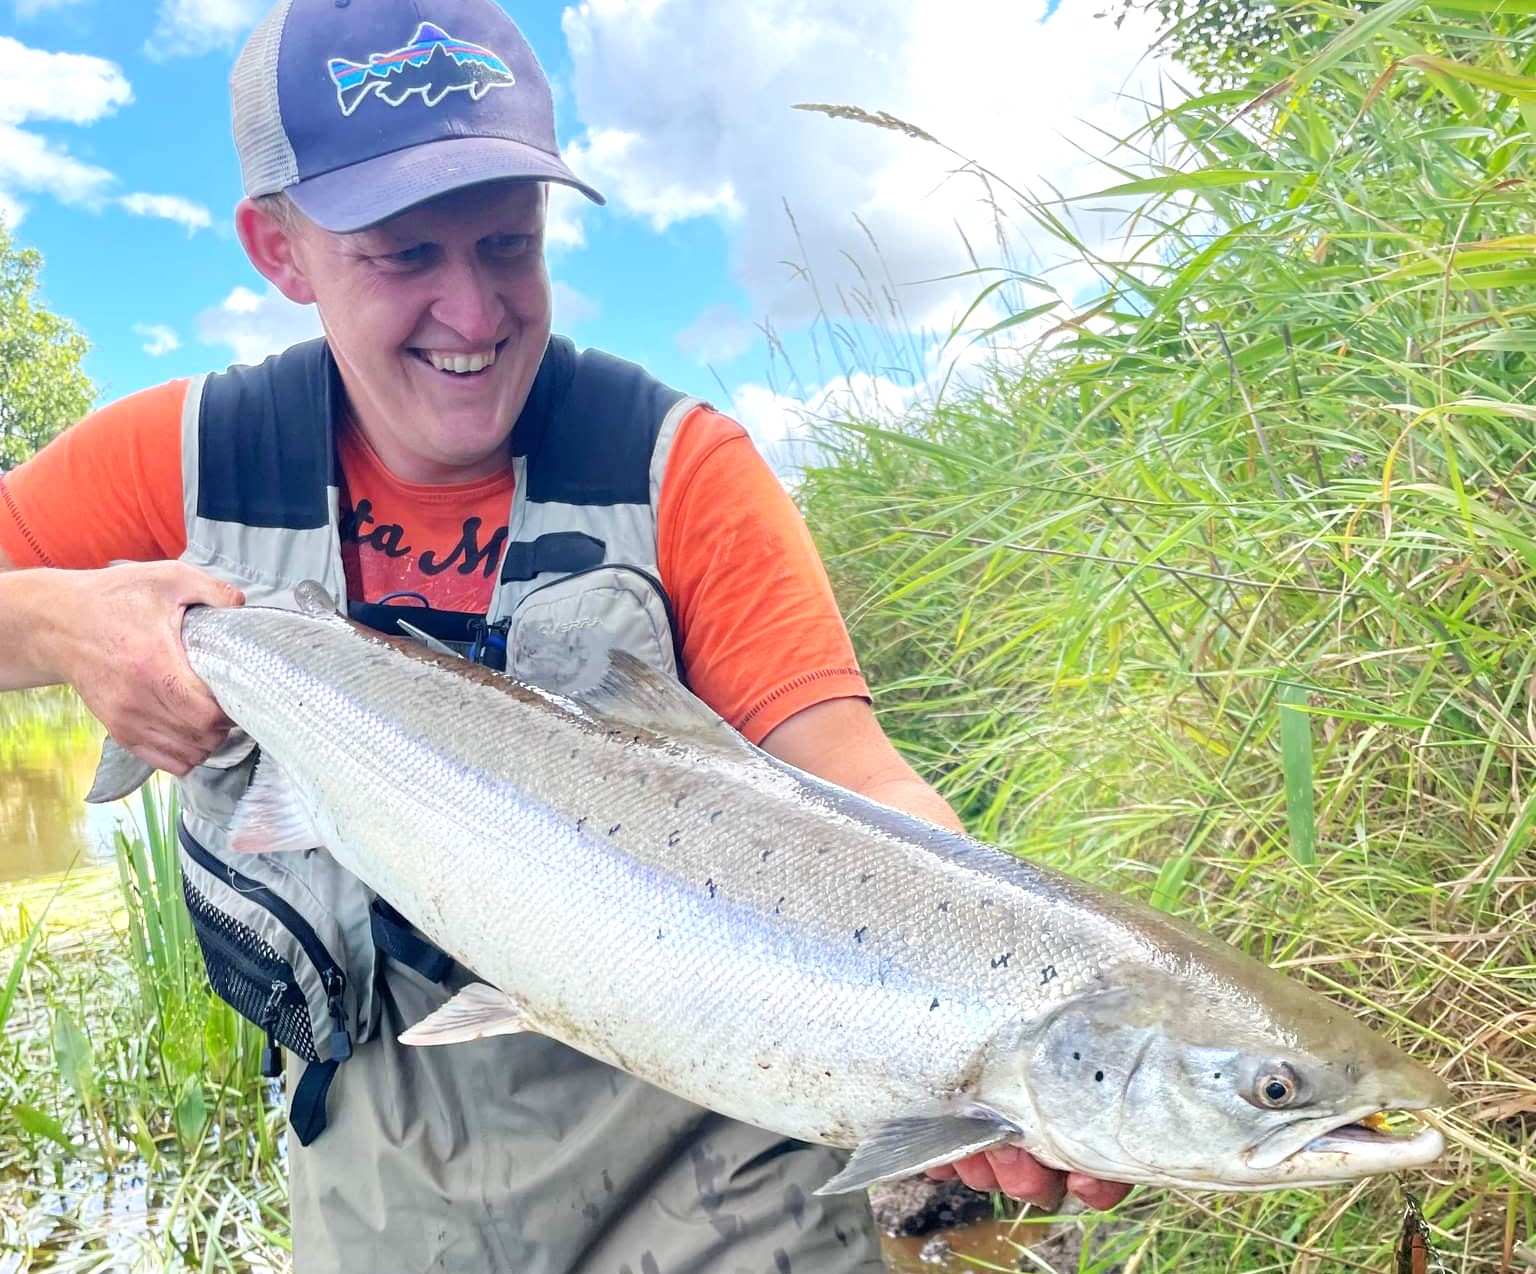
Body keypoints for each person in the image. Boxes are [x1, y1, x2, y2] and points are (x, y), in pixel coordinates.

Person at [0, 0, 1130, 1269]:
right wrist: (62, 617)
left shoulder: (679, 469)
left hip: (720, 1184)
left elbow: (851, 778)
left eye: (507, 243)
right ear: (280, 249)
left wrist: (996, 1004)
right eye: (402, 257)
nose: (474, 312)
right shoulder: (190, 458)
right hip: (385, 1195)